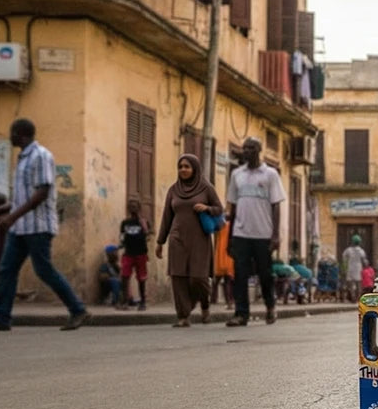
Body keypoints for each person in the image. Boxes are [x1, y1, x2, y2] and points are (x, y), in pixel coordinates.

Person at [0, 119, 90, 332]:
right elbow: (21, 198)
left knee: (44, 270)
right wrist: (4, 213)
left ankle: (77, 309)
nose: (9, 136)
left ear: (20, 134)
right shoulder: (22, 158)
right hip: (20, 228)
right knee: (6, 269)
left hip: (38, 226)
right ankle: (1, 318)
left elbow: (42, 192)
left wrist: (11, 217)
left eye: (12, 132)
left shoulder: (41, 156)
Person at [155, 153, 222, 327]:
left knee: (197, 278)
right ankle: (183, 316)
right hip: (177, 238)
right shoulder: (173, 190)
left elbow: (219, 209)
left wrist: (207, 208)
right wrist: (160, 242)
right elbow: (167, 216)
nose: (183, 170)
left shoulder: (206, 188)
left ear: (195, 169)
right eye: (180, 167)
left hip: (200, 238)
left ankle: (204, 305)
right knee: (178, 277)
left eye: (187, 166)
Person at [225, 136, 285, 327]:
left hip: (263, 234)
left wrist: (275, 234)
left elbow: (276, 205)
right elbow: (232, 207)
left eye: (251, 148)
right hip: (241, 233)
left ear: (259, 151)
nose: (246, 151)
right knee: (240, 274)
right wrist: (229, 238)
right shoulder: (237, 175)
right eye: (245, 148)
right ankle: (241, 313)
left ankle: (270, 306)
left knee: (265, 274)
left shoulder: (270, 174)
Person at [118, 197, 152, 310]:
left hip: (140, 254)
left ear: (139, 208)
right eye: (131, 206)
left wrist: (145, 228)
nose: (133, 208)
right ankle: (125, 301)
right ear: (128, 209)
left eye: (135, 206)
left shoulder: (144, 222)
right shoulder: (124, 223)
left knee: (141, 278)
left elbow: (148, 236)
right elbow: (122, 237)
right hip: (128, 253)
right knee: (124, 276)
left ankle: (143, 301)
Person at [342, 234, 368, 302]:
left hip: (350, 268)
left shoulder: (348, 250)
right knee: (359, 284)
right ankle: (358, 298)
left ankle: (353, 297)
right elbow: (364, 261)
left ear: (352, 242)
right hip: (359, 268)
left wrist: (344, 269)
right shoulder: (361, 251)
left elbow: (344, 259)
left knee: (350, 284)